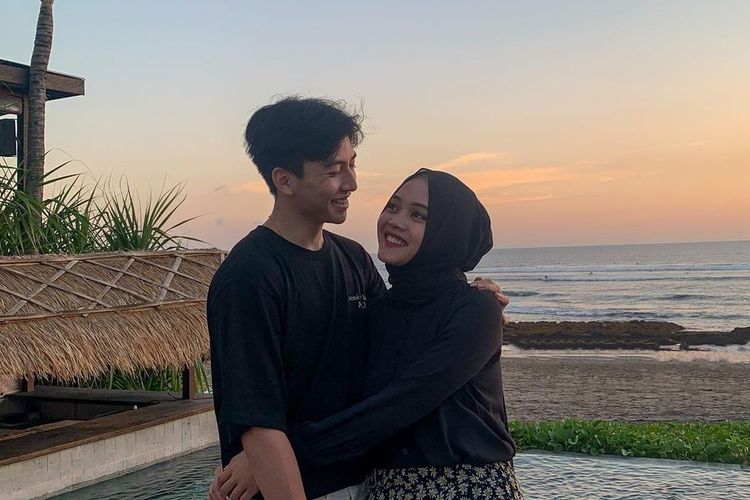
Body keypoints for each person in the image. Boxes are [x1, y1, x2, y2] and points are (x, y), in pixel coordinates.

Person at [207, 97, 507, 500]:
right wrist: (260, 460)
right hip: (296, 486)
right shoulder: (249, 277)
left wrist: (473, 300)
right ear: (285, 180)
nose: (351, 183)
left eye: (352, 165)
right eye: (335, 171)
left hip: (367, 482)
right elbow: (258, 422)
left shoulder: (353, 259)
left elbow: (400, 344)